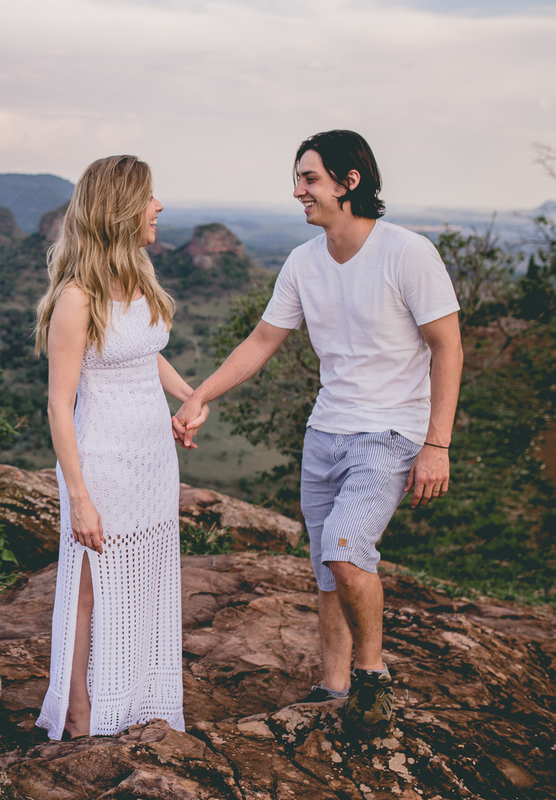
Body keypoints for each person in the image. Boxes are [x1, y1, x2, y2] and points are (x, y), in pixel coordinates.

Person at [173, 130, 463, 737]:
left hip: (388, 435)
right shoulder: (303, 261)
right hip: (325, 434)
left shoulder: (408, 253)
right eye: (298, 178)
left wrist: (437, 444)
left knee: (345, 550)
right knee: (326, 567)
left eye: (308, 178)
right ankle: (331, 687)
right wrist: (200, 394)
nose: (297, 190)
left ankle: (372, 676)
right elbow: (261, 342)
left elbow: (448, 346)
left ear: (348, 182)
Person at [33, 155, 203, 740]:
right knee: (89, 588)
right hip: (100, 461)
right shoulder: (77, 297)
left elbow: (141, 352)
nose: (159, 207)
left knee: (148, 576)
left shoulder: (138, 276)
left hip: (153, 460)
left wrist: (191, 396)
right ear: (121, 208)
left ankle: (137, 700)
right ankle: (82, 715)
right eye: (150, 197)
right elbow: (59, 404)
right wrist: (79, 497)